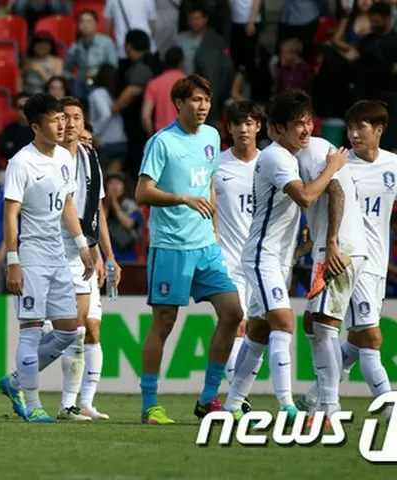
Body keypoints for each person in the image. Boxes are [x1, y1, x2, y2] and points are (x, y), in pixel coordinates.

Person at [231, 90, 346, 421]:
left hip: (277, 258)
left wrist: (301, 247)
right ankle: (287, 406)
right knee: (284, 322)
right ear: (277, 129)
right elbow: (307, 197)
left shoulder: (289, 156)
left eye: (309, 121)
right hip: (262, 257)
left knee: (258, 333)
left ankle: (233, 403)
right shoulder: (276, 156)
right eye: (298, 124)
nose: (306, 130)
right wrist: (333, 167)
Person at [134, 75, 243, 424]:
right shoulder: (162, 142)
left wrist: (213, 227)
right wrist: (182, 198)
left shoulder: (212, 136)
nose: (203, 107)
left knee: (233, 312)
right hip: (171, 246)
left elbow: (208, 181)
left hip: (205, 246)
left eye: (207, 100)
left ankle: (209, 398)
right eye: (195, 100)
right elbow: (142, 192)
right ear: (179, 103)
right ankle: (150, 404)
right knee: (164, 323)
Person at [0, 93, 95, 423]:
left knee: (69, 332)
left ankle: (14, 382)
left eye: (64, 118)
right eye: (56, 120)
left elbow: (68, 204)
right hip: (32, 258)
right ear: (36, 127)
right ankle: (34, 403)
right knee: (31, 332)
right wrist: (13, 261)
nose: (64, 124)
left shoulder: (65, 159)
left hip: (58, 256)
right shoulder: (21, 162)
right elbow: (11, 214)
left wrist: (82, 245)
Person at [297, 100, 395, 421]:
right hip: (350, 258)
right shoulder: (341, 164)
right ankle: (389, 411)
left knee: (355, 341)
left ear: (379, 130)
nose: (353, 134)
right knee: (370, 338)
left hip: (377, 263)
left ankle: (315, 396)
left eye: (361, 127)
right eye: (350, 127)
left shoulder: (393, 166)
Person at [293, 134, 367, 424]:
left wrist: (332, 241)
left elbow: (336, 193)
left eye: (306, 122)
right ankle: (321, 400)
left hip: (338, 248)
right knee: (313, 323)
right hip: (333, 245)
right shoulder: (306, 152)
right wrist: (302, 250)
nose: (303, 129)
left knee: (324, 326)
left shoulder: (312, 151)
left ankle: (328, 407)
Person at [55, 97, 120, 421]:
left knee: (90, 328)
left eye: (76, 117)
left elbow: (97, 211)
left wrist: (107, 255)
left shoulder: (91, 157)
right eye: (64, 117)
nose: (70, 123)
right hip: (55, 250)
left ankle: (84, 402)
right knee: (70, 329)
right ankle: (32, 387)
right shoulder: (49, 158)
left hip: (86, 252)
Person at [214, 100, 262, 413]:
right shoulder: (217, 164)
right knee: (236, 324)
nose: (243, 129)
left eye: (249, 122)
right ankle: (237, 400)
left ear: (259, 126)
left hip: (263, 261)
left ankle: (237, 395)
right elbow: (207, 205)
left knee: (260, 331)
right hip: (227, 259)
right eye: (237, 123)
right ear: (229, 128)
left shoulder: (272, 162)